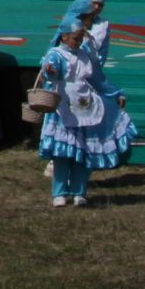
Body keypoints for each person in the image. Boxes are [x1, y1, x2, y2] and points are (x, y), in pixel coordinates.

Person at [36, 13, 134, 209]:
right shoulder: (56, 54)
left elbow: (98, 79)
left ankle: (79, 192)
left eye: (81, 39)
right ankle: (60, 193)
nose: (78, 42)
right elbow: (49, 70)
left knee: (83, 153)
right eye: (75, 39)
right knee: (62, 155)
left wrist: (117, 93)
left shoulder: (85, 55)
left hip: (84, 108)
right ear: (64, 36)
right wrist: (50, 71)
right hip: (64, 109)